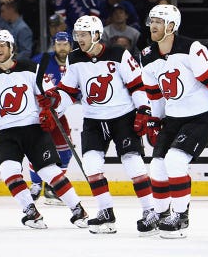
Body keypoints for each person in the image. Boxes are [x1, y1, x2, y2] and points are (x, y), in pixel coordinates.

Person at [0, 29, 89, 229]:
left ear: (11, 48)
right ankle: (31, 212)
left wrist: (49, 107)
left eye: (2, 45)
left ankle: (78, 209)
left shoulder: (30, 68)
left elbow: (52, 96)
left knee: (50, 172)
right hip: (6, 133)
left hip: (34, 129)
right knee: (9, 171)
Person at [42, 16, 159, 235]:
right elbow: (67, 91)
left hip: (122, 116)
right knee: (91, 165)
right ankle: (106, 212)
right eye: (77, 35)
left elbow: (137, 85)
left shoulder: (119, 54)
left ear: (96, 35)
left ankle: (150, 211)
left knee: (132, 161)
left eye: (84, 35)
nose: (79, 39)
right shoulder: (74, 58)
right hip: (93, 119)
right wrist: (55, 105)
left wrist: (144, 110)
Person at [139, 4, 208, 239]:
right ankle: (161, 212)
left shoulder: (191, 48)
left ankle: (180, 215)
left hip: (202, 116)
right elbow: (155, 95)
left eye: (159, 21)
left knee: (175, 161)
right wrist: (155, 120)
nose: (153, 25)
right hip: (174, 117)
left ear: (171, 26)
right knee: (157, 166)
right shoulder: (147, 56)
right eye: (152, 20)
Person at [29, 32, 74, 205]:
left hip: (60, 115)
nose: (62, 47)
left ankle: (53, 187)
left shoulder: (75, 62)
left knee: (65, 150)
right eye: (58, 44)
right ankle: (35, 184)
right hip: (42, 114)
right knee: (37, 150)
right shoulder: (42, 61)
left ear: (70, 45)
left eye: (65, 44)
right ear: (54, 45)